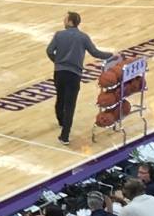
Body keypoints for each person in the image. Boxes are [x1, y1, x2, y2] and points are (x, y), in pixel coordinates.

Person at [43, 12, 111, 144]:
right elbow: (95, 53)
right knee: (70, 105)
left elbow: (49, 51)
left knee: (60, 98)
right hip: (74, 75)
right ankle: (65, 136)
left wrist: (57, 62)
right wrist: (110, 55)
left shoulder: (59, 35)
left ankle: (62, 121)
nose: (63, 20)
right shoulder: (83, 37)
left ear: (70, 22)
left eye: (65, 18)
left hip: (60, 73)